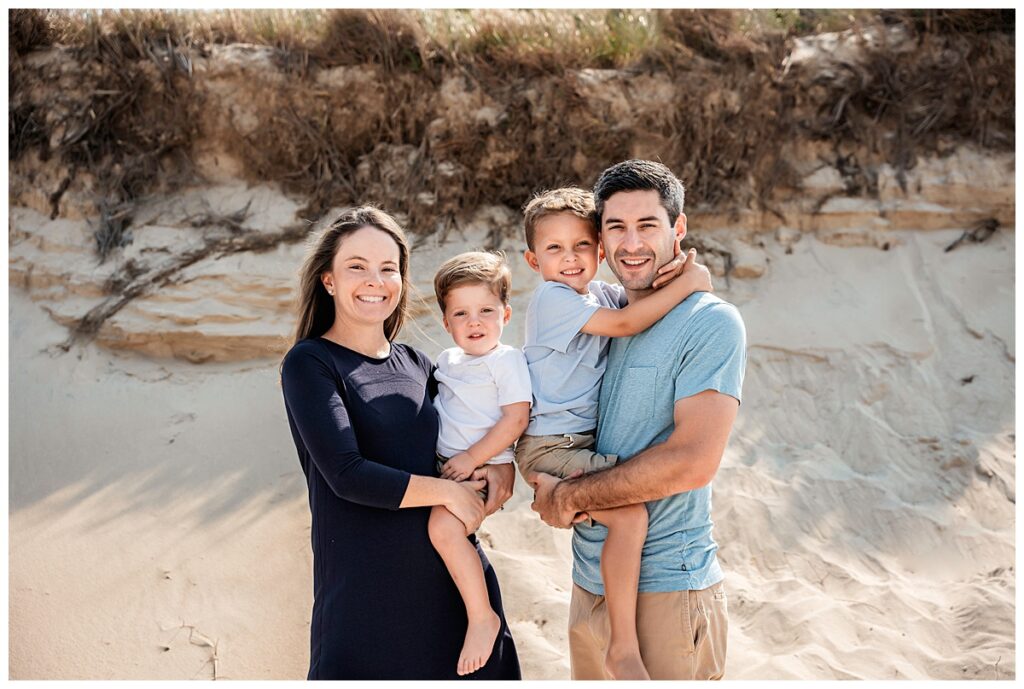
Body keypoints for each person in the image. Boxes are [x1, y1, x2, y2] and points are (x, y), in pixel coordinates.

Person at [280, 206, 521, 680]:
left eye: (388, 268)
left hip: (456, 597)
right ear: (328, 280)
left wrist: (500, 468)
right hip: (366, 604)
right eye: (357, 266)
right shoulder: (311, 363)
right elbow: (347, 475)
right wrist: (448, 492)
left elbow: (474, 426)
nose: (375, 280)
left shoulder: (419, 363)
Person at [529, 160, 746, 680]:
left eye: (647, 225)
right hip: (590, 586)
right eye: (616, 227)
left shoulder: (710, 323)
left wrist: (571, 496)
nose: (632, 244)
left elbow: (692, 463)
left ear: (679, 228)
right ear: (601, 238)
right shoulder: (599, 314)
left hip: (668, 589)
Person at [427, 251, 531, 676]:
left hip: (481, 469)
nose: (475, 322)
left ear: (506, 314)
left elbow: (516, 417)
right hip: (445, 469)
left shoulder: (505, 360)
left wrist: (473, 458)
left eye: (486, 310)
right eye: (462, 313)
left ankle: (483, 616)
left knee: (443, 530)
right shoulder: (446, 361)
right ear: (447, 322)